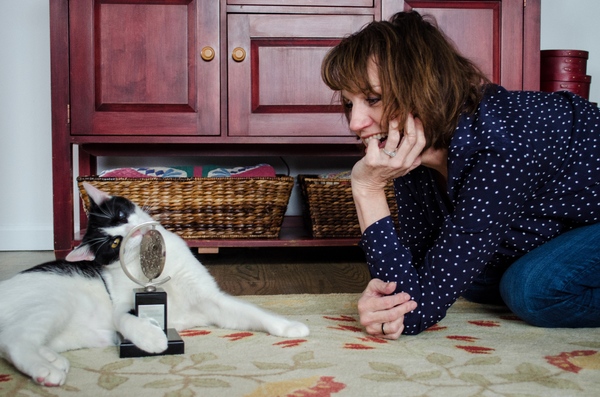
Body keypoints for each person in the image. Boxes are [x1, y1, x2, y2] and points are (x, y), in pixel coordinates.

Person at [321, 10, 600, 339]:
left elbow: (415, 315)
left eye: (372, 99)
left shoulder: (500, 147)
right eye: (350, 103)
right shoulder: (416, 151)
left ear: (423, 89)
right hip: (566, 223)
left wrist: (366, 187)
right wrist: (385, 301)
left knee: (531, 289)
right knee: (476, 281)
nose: (355, 123)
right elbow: (413, 275)